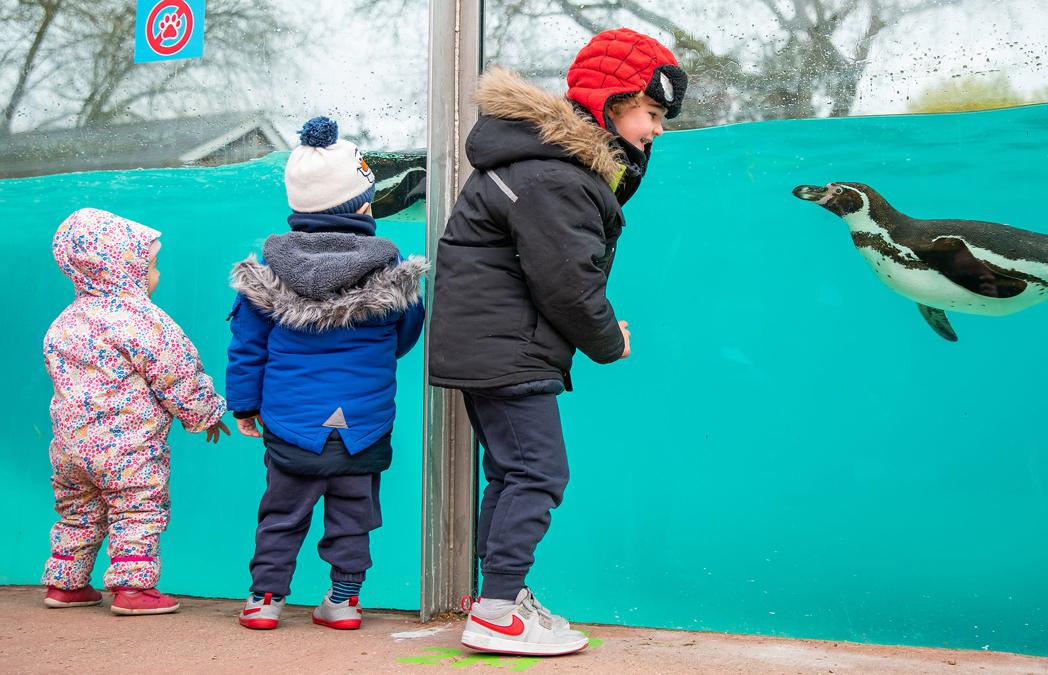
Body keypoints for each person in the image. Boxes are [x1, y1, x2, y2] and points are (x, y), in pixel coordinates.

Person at [427, 28, 688, 655]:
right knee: (539, 474)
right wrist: (608, 340)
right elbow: (568, 283)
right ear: (609, 101)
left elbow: (558, 273)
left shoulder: (543, 165)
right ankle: (494, 613)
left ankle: (498, 597)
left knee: (511, 474)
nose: (655, 129)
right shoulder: (553, 175)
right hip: (508, 350)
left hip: (496, 345)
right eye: (649, 113)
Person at [226, 116, 427, 631]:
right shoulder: (391, 270)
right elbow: (403, 342)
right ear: (363, 206)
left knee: (282, 513)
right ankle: (342, 602)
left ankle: (264, 601)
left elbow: (248, 349)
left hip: (290, 422)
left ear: (298, 208)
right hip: (363, 423)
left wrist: (245, 406)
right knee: (353, 516)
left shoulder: (267, 273)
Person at [42, 207, 229, 615]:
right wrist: (205, 413)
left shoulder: (63, 323)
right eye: (152, 266)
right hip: (127, 449)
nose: (156, 274)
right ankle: (133, 589)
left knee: (78, 512)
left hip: (70, 449)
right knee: (138, 507)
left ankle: (65, 584)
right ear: (123, 269)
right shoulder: (142, 320)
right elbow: (176, 372)